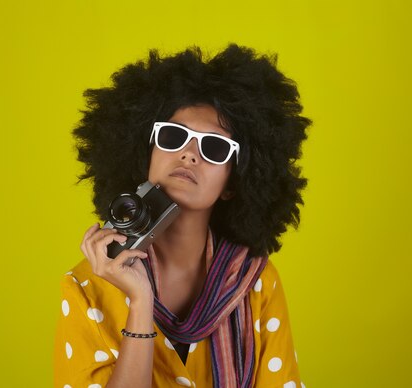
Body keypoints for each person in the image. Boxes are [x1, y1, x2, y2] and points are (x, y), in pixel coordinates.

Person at [54, 44, 311, 388]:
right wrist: (141, 303)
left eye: (214, 147)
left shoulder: (257, 283)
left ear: (231, 183)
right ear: (146, 154)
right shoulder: (88, 287)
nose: (189, 154)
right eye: (174, 136)